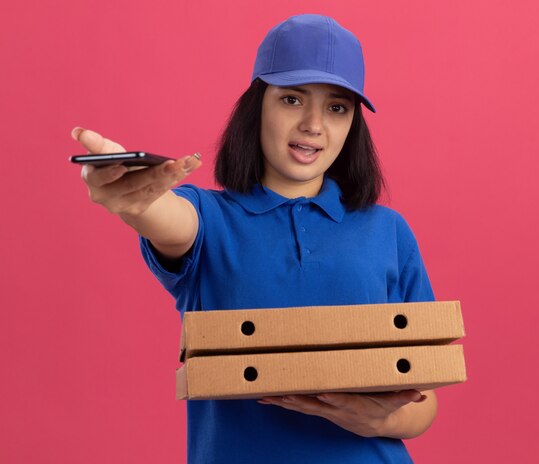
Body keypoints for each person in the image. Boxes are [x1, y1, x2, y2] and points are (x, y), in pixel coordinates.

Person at [72, 14, 438, 464]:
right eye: (291, 99)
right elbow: (166, 215)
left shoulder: (389, 231)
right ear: (257, 107)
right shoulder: (209, 219)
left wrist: (376, 420)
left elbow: (425, 396)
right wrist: (133, 199)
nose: (313, 125)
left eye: (337, 107)